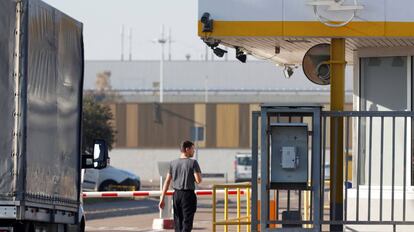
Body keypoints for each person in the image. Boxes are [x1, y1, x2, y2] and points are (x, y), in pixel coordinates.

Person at [159, 140, 202, 232]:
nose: (194, 151)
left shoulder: (173, 163)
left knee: (178, 223)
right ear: (187, 149)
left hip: (176, 195)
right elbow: (198, 180)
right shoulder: (193, 163)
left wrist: (162, 198)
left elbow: (167, 182)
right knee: (187, 223)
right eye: (192, 149)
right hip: (188, 195)